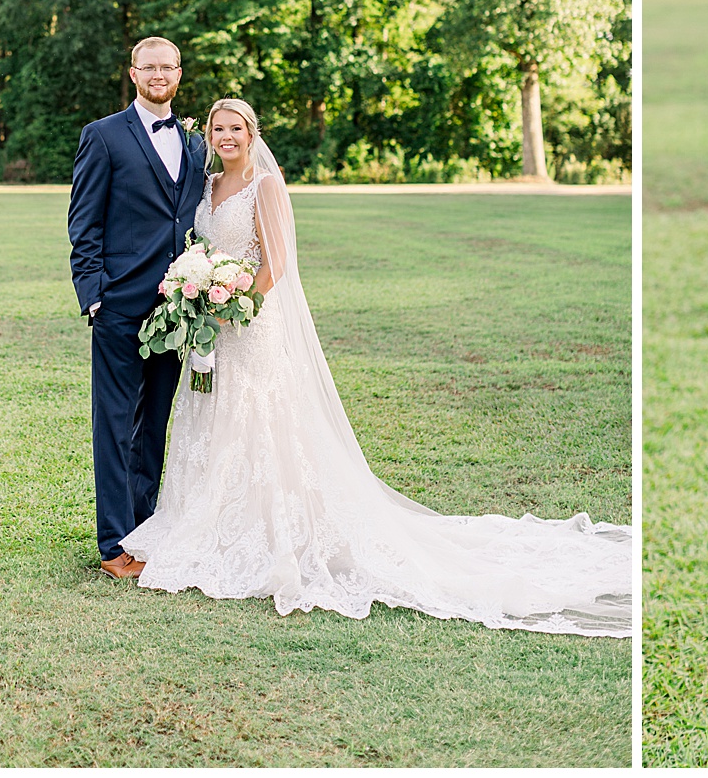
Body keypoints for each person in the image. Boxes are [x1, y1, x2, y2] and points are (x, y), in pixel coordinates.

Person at [121, 98, 631, 636]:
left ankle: (273, 533)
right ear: (209, 135)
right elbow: (201, 248)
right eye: (219, 129)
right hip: (213, 331)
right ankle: (208, 523)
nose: (227, 137)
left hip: (249, 324)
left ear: (253, 133)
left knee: (260, 421)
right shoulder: (207, 187)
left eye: (236, 128)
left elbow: (277, 263)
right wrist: (197, 297)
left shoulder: (265, 186)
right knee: (212, 418)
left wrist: (234, 307)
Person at [66, 36, 208, 578]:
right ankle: (112, 545)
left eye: (167, 66)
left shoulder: (195, 143)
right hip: (120, 306)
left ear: (178, 73)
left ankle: (146, 530)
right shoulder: (102, 136)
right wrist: (94, 296)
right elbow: (84, 223)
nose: (158, 74)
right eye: (148, 67)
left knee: (154, 426)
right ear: (133, 74)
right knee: (115, 423)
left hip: (177, 309)